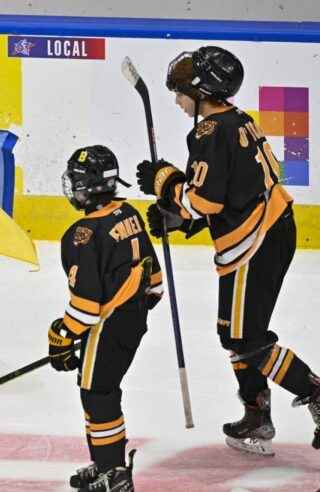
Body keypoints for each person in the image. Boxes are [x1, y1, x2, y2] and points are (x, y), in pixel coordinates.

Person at [135, 45, 320, 456]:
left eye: (182, 92)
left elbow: (205, 201)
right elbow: (231, 191)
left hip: (255, 242)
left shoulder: (209, 132)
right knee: (233, 335)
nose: (178, 100)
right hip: (266, 231)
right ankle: (257, 414)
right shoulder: (238, 121)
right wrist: (179, 217)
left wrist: (165, 182)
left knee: (246, 337)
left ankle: (313, 395)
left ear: (203, 92)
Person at [49, 145, 163, 491]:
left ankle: (113, 472)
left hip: (107, 325)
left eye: (78, 179)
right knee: (103, 390)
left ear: (90, 186)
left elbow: (85, 308)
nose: (73, 185)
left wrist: (64, 334)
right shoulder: (128, 212)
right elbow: (154, 283)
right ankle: (104, 463)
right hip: (132, 319)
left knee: (97, 393)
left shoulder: (81, 236)